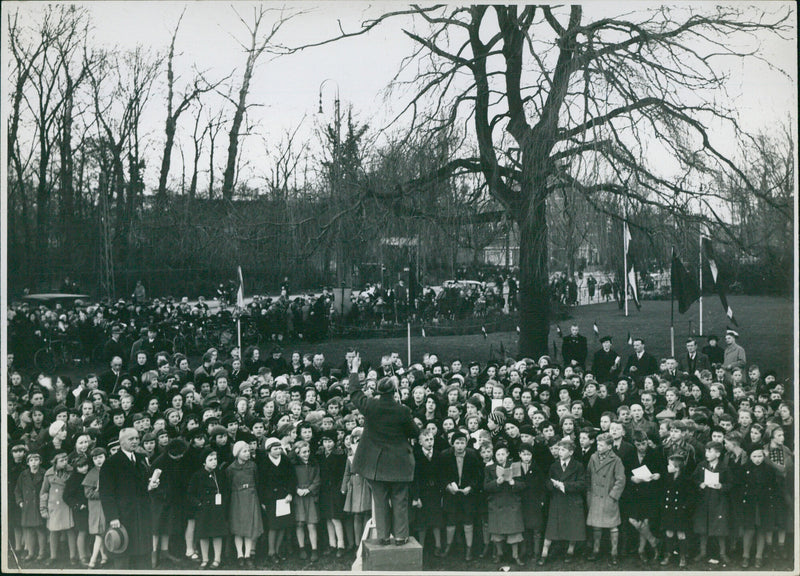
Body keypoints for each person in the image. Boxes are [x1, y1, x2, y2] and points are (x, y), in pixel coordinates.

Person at [345, 353, 419, 546]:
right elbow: (415, 431)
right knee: (400, 500)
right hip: (400, 464)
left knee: (380, 501)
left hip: (376, 465)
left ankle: (383, 536)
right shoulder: (402, 410)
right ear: (395, 391)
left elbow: (354, 392)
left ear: (378, 391)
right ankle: (401, 537)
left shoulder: (370, 406)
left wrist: (354, 369)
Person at [99, 428, 155, 569]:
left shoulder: (141, 459)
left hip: (141, 514)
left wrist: (150, 485)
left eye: (137, 438)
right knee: (123, 555)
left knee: (143, 555)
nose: (135, 441)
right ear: (121, 441)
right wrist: (113, 517)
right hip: (123, 517)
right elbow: (106, 494)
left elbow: (140, 486)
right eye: (131, 439)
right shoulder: (111, 463)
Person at [539, 438, 586, 566]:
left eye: (563, 450)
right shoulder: (554, 466)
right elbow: (547, 481)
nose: (559, 452)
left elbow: (582, 484)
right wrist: (552, 485)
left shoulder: (578, 466)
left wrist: (564, 485)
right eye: (559, 449)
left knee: (573, 529)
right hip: (558, 501)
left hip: (572, 501)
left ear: (571, 452)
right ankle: (544, 553)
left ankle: (570, 552)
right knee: (552, 529)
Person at [439, 430, 484, 561]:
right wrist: (447, 486)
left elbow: (478, 475)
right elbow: (441, 475)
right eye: (457, 443)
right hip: (451, 494)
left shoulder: (472, 455)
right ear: (452, 444)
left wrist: (470, 487)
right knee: (450, 519)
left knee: (468, 520)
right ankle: (448, 545)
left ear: (466, 443)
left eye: (462, 443)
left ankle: (469, 548)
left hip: (467, 494)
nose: (460, 446)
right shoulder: (445, 455)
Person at [586, 433, 626, 566]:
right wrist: (589, 494)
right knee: (596, 526)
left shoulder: (616, 460)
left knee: (612, 526)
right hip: (595, 496)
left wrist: (613, 496)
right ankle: (595, 550)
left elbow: (620, 480)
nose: (598, 447)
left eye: (601, 445)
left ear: (609, 446)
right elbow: (588, 476)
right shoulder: (592, 457)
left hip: (608, 498)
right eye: (597, 444)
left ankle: (614, 553)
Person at [483, 444, 526, 566]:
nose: (500, 457)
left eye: (502, 454)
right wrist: (496, 482)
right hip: (497, 503)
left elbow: (523, 485)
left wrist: (513, 482)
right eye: (497, 454)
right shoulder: (489, 468)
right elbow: (485, 486)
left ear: (507, 454)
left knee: (514, 531)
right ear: (494, 456)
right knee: (497, 532)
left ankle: (515, 555)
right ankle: (499, 553)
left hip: (512, 503)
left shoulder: (515, 467)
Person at [187, 448, 229, 569]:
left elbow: (226, 491)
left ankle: (217, 559)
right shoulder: (198, 476)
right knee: (203, 534)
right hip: (204, 509)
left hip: (217, 509)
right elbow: (190, 494)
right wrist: (199, 504)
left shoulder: (220, 474)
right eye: (210, 460)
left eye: (215, 459)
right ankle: (205, 559)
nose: (214, 462)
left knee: (217, 533)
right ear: (204, 462)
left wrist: (223, 504)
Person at [691, 441, 731, 565]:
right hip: (704, 501)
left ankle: (722, 553)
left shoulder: (724, 467)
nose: (706, 454)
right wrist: (700, 484)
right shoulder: (702, 465)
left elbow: (731, 484)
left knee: (720, 528)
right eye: (706, 451)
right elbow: (693, 479)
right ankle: (702, 552)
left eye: (710, 451)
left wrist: (721, 486)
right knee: (703, 527)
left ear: (718, 454)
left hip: (718, 502)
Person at [226, 440, 263, 568]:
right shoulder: (231, 468)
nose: (248, 453)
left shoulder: (253, 466)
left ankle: (248, 555)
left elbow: (257, 481)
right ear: (237, 453)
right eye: (244, 451)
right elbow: (229, 484)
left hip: (251, 498)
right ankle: (239, 555)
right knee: (238, 528)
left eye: (248, 451)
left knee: (249, 527)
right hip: (237, 499)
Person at [40, 452, 77, 566]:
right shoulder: (49, 474)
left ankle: (73, 556)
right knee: (53, 531)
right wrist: (43, 508)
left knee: (70, 530)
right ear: (55, 462)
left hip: (67, 505)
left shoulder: (71, 471)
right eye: (61, 460)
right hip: (53, 506)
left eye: (66, 460)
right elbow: (44, 492)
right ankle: (53, 556)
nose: (65, 462)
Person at [659, 450, 692, 568]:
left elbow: (690, 496)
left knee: (681, 533)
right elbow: (662, 491)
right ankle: (668, 554)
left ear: (677, 466)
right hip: (669, 509)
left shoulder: (686, 479)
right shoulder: (667, 477)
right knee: (669, 532)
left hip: (680, 510)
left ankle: (682, 556)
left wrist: (684, 507)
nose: (668, 466)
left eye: (670, 464)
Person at [291, 440, 321, 561]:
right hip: (298, 496)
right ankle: (301, 548)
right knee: (299, 523)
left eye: (308, 451)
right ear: (297, 453)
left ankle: (314, 549)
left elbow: (317, 480)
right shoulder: (293, 465)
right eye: (303, 452)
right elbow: (290, 480)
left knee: (311, 524)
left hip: (310, 496)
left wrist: (309, 490)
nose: (306, 454)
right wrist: (296, 489)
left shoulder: (314, 464)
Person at [15, 452, 47, 562]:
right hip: (27, 507)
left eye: (36, 460)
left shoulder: (44, 474)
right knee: (29, 531)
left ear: (40, 461)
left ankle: (41, 553)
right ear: (28, 463)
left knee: (40, 530)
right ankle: (31, 553)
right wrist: (20, 501)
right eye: (31, 461)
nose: (34, 463)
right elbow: (17, 490)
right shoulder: (23, 475)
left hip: (39, 506)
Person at [82, 447, 108, 568]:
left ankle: (104, 557)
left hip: (106, 505)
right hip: (96, 507)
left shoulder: (109, 470)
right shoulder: (91, 474)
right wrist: (103, 493)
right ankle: (92, 561)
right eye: (95, 458)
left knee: (101, 532)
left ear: (105, 457)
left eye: (101, 457)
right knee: (99, 532)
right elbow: (88, 494)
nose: (98, 460)